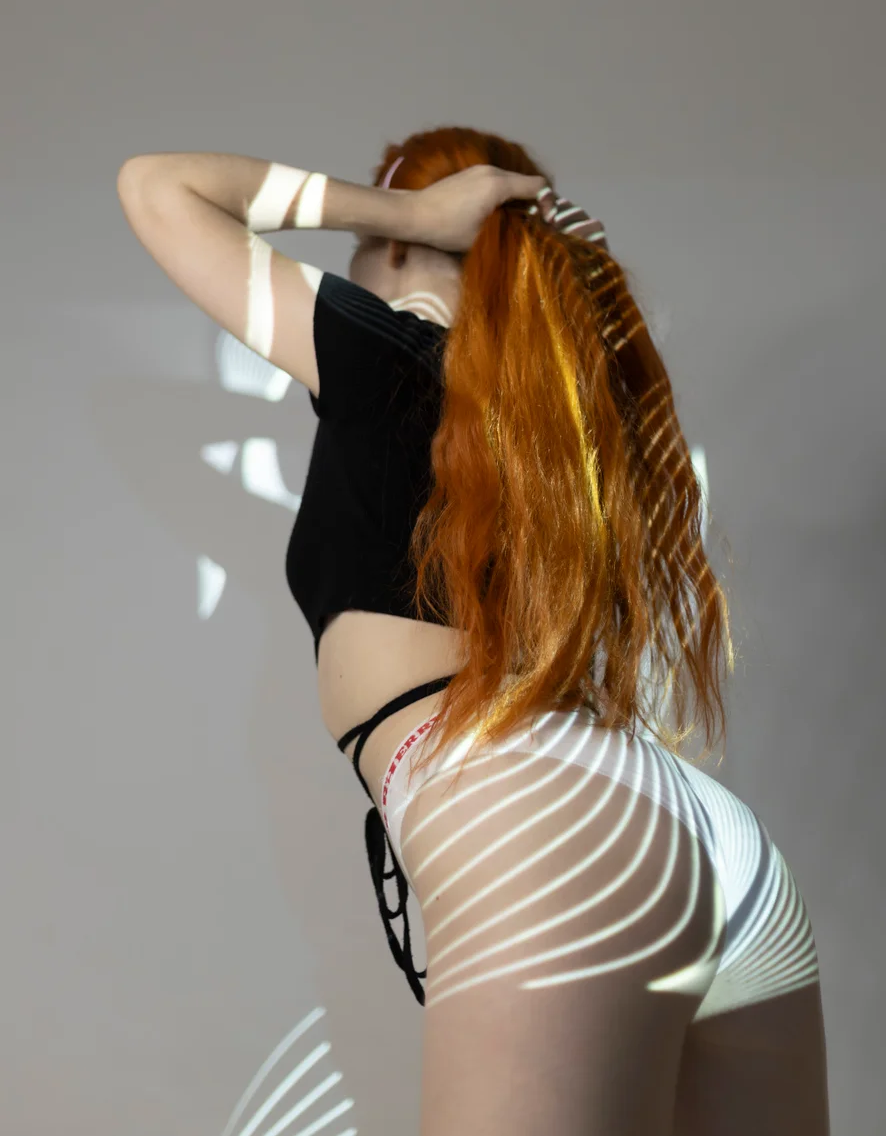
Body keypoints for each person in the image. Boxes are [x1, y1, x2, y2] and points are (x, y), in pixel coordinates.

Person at [117, 125, 830, 1135]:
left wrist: (401, 210)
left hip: (539, 827)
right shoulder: (556, 420)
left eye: (370, 242)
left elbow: (158, 188)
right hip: (705, 840)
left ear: (401, 248)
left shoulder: (383, 347)